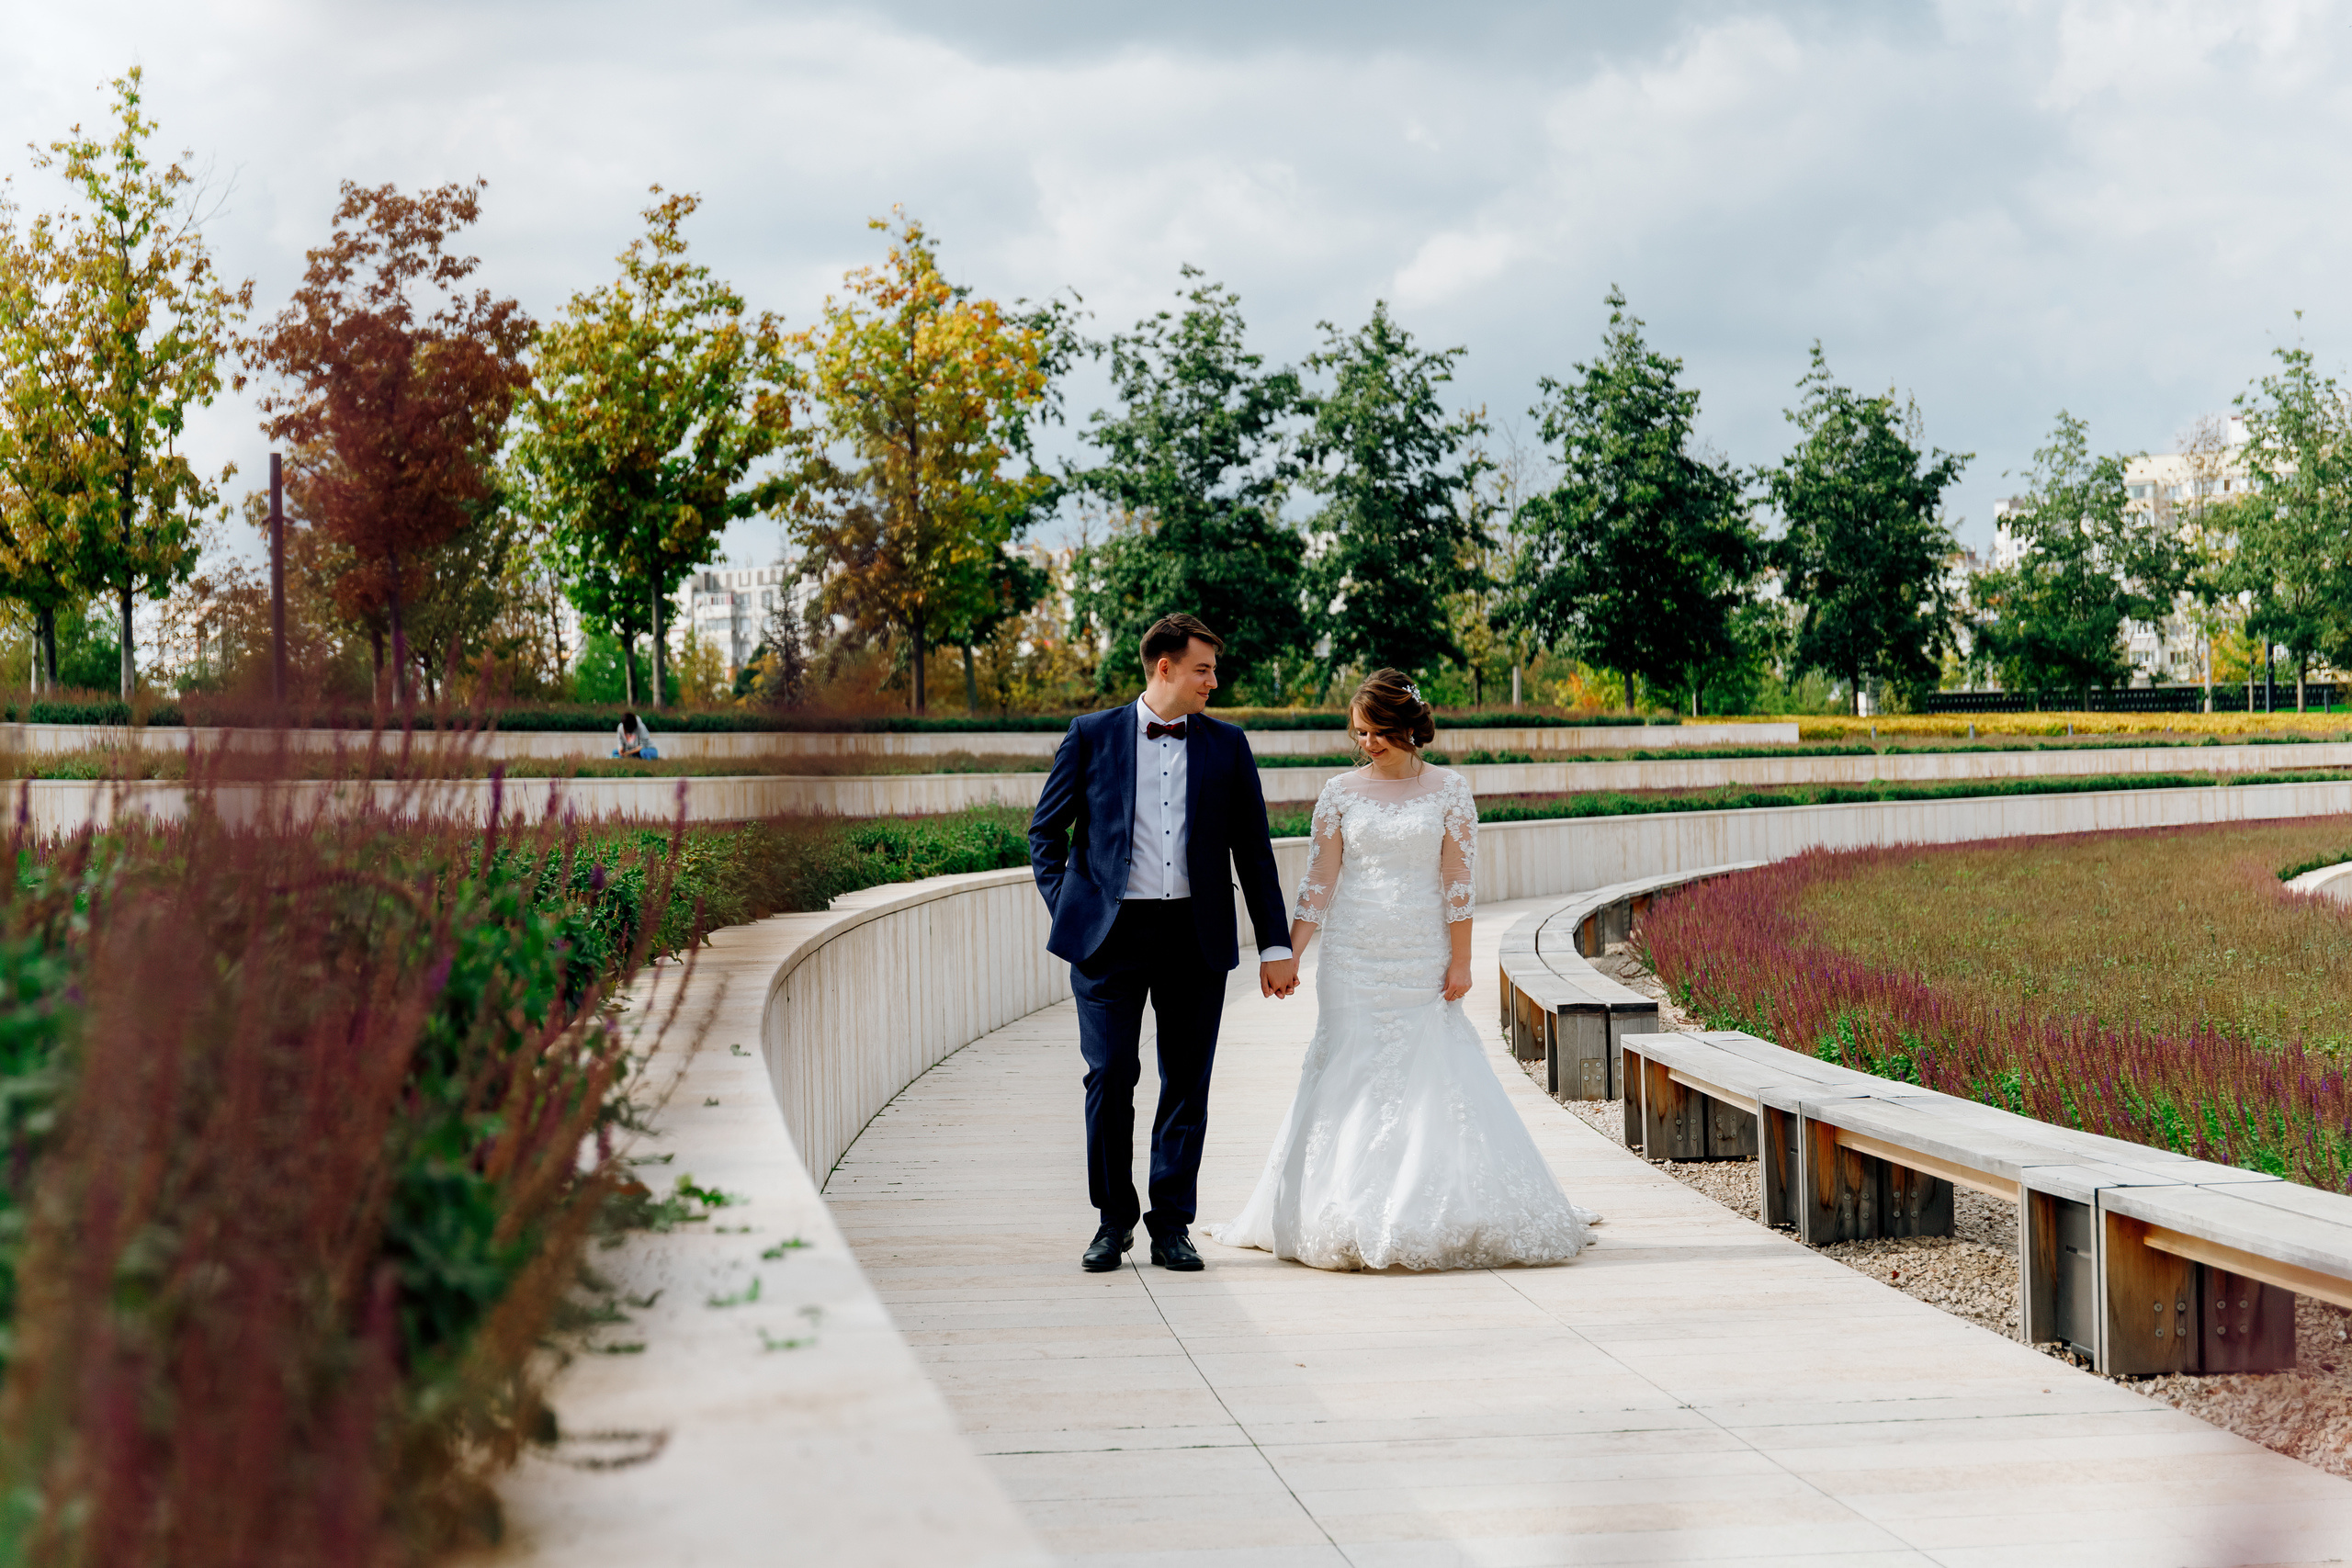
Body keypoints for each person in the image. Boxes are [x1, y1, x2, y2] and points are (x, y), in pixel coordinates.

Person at [1210, 669, 1599, 1271]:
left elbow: (1458, 885)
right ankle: (1331, 1205)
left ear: (1410, 727)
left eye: (1380, 731)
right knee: (1344, 1068)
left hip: (1421, 954)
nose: (1368, 742)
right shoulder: (1339, 792)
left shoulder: (1450, 791)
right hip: (1351, 958)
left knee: (1432, 1075)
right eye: (1360, 732)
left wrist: (1462, 960)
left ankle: (1431, 1204)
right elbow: (1319, 883)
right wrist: (1288, 952)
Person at [1028, 613, 1295, 1274]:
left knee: (1187, 1082)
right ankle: (1111, 1219)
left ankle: (1171, 1223)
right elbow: (1045, 833)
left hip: (1194, 934)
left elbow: (1253, 851)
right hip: (1108, 937)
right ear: (1165, 667)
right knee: (1110, 1075)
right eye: (1203, 668)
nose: (1214, 680)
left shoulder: (1228, 745)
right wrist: (1070, 909)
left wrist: (1274, 943)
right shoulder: (1091, 736)